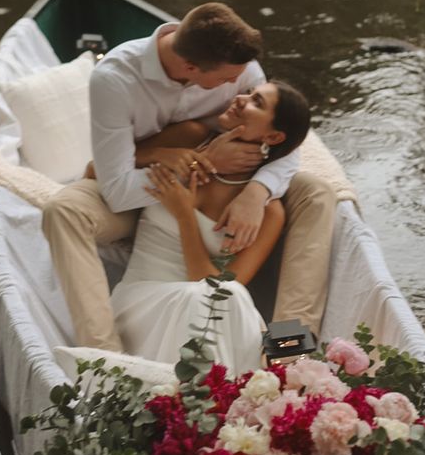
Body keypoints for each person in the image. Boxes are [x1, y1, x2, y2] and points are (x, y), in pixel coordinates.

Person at [41, 2, 337, 350]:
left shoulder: (241, 69)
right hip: (135, 187)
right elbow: (108, 179)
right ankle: (104, 356)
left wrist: (257, 192)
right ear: (190, 68)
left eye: (248, 92)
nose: (238, 90)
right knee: (62, 210)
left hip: (207, 188)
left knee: (317, 192)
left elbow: (287, 145)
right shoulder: (117, 80)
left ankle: (291, 351)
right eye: (229, 82)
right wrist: (200, 161)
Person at [111, 81, 311, 374]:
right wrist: (166, 156)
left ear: (274, 136)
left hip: (202, 305)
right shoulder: (191, 137)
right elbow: (97, 170)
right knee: (222, 297)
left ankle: (222, 400)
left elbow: (214, 288)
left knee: (227, 294)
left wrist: (184, 216)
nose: (240, 99)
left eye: (256, 102)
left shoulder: (268, 211)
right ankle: (223, 397)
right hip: (141, 302)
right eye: (248, 93)